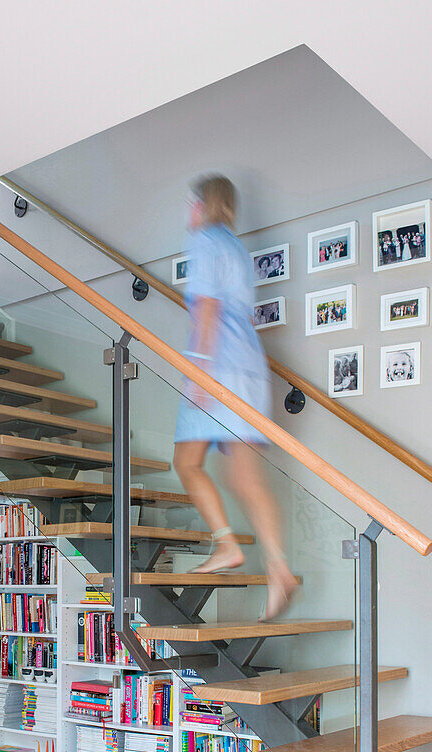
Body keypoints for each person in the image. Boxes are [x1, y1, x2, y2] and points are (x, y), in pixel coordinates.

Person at [172, 175, 297, 621]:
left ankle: (226, 544)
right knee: (247, 481)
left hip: (218, 367)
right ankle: (279, 570)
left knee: (187, 463)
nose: (187, 211)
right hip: (250, 369)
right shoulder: (238, 249)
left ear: (202, 204)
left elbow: (207, 307)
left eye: (190, 203)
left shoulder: (206, 241)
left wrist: (199, 369)